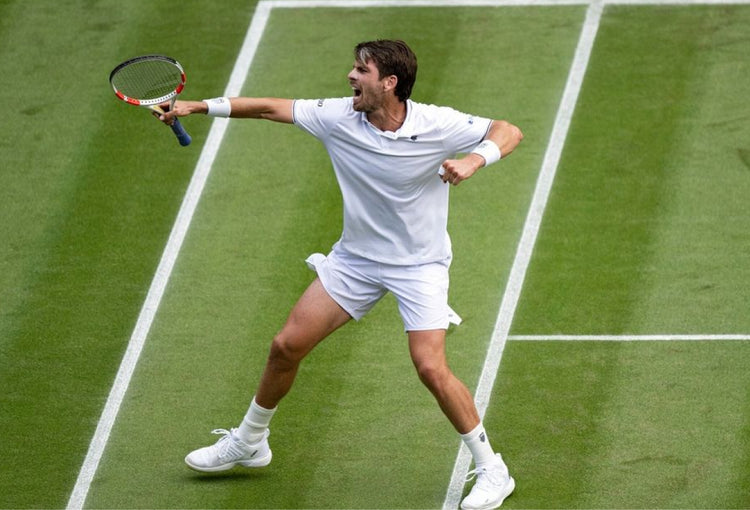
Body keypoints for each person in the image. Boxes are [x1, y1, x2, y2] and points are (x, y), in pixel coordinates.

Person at [160, 39, 523, 510]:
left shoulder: (437, 123)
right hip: (356, 260)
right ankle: (250, 440)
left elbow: (507, 130)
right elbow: (270, 108)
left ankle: (493, 470)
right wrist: (197, 105)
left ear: (389, 83)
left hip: (419, 265)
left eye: (361, 70)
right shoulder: (337, 116)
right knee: (285, 346)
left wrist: (475, 159)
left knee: (430, 367)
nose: (351, 77)